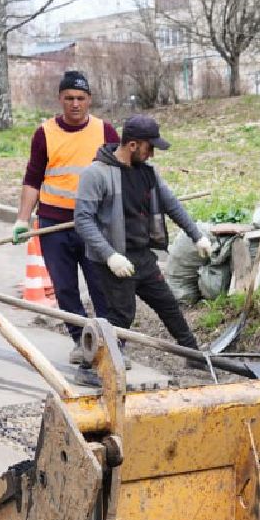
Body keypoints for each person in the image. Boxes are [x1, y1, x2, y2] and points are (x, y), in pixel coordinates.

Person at [74, 114, 214, 352]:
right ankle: (96, 366)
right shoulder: (96, 174)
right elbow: (83, 220)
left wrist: (196, 235)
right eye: (149, 148)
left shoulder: (147, 172)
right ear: (132, 145)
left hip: (143, 256)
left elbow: (171, 204)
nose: (151, 154)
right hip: (114, 261)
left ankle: (194, 354)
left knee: (168, 305)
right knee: (121, 316)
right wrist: (110, 256)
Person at [13, 70, 118, 364]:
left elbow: (121, 175)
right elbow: (33, 178)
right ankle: (81, 341)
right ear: (60, 99)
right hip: (54, 224)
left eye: (80, 98)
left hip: (94, 223)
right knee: (64, 288)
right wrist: (23, 219)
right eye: (69, 98)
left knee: (102, 286)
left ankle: (111, 345)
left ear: (89, 100)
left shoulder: (105, 131)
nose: (75, 104)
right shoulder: (45, 133)